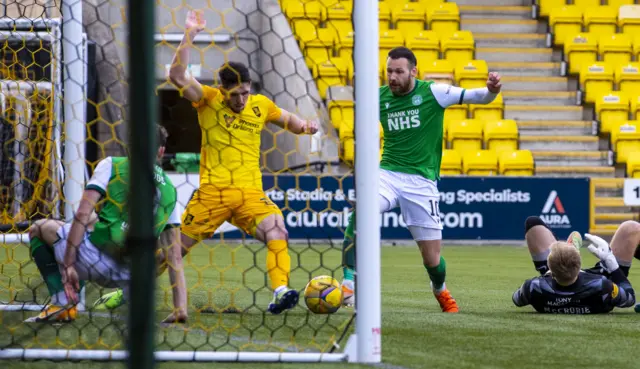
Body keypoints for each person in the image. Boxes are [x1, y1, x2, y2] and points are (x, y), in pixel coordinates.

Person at [148, 9, 315, 315]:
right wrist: (190, 34)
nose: (242, 100)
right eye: (236, 94)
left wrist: (304, 126)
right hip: (213, 195)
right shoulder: (207, 99)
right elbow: (175, 75)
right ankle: (129, 288)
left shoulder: (260, 105)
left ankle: (280, 291)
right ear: (223, 90)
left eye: (246, 93)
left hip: (251, 193)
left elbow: (287, 119)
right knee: (173, 252)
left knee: (277, 229)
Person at [341, 47, 503, 313]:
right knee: (362, 210)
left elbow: (480, 98)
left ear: (413, 71)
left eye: (399, 72)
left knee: (432, 260)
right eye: (389, 71)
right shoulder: (377, 98)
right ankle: (349, 284)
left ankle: (439, 288)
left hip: (421, 183)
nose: (392, 77)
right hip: (388, 174)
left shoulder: (434, 93)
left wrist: (492, 89)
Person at [25, 124, 187, 323]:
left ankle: (62, 302)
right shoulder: (172, 191)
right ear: (161, 151)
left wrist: (68, 265)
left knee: (40, 228)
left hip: (94, 260)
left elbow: (82, 213)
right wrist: (180, 308)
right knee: (97, 222)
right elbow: (175, 256)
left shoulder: (113, 164)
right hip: (132, 276)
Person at [511, 216, 636, 314]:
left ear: (551, 270)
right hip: (599, 280)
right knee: (631, 228)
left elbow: (516, 299)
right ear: (579, 262)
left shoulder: (533, 287)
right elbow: (629, 298)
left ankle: (563, 256)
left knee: (533, 223)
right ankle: (567, 253)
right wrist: (613, 266)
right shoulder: (604, 285)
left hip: (555, 283)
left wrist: (551, 272)